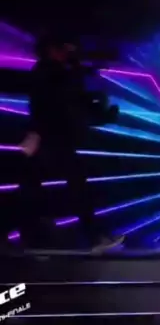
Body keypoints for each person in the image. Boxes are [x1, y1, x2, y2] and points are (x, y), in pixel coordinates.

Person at [18, 36, 124, 252]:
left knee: (38, 187)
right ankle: (93, 237)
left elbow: (73, 103)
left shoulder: (53, 72)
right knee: (74, 186)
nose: (68, 52)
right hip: (50, 139)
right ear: (51, 49)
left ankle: (33, 236)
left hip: (52, 139)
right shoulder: (48, 72)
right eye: (64, 48)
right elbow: (63, 101)